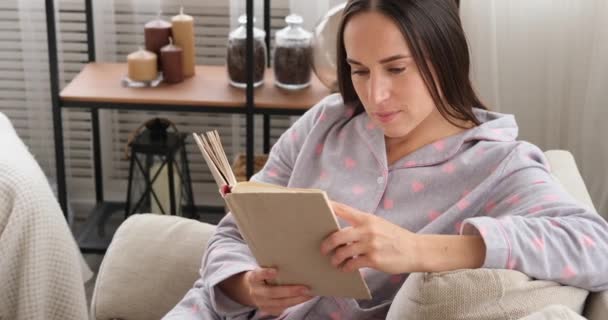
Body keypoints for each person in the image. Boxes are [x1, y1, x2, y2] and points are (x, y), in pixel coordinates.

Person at [163, 0, 608, 319]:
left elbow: (596, 248)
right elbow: (232, 233)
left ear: (446, 59)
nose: (375, 95)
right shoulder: (325, 122)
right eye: (359, 70)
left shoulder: (498, 165)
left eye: (397, 68)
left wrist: (416, 249)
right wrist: (247, 287)